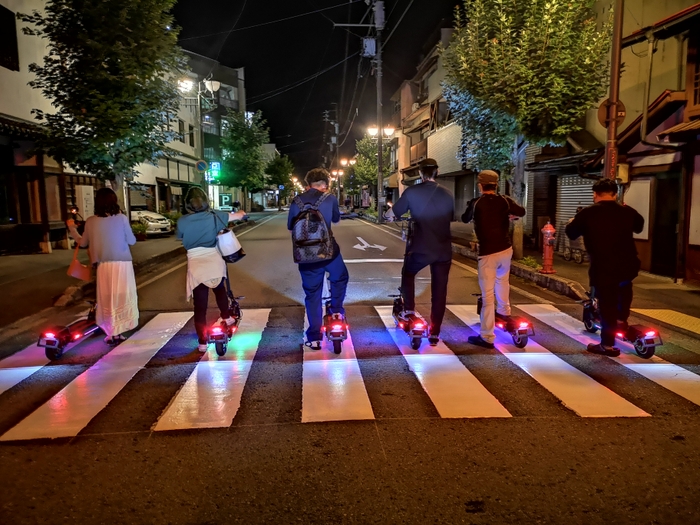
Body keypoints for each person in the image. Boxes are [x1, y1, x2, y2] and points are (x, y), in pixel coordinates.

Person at [565, 178, 644, 357]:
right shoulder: (627, 212)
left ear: (595, 194)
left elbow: (571, 233)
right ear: (615, 194)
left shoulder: (588, 213)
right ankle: (621, 320)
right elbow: (639, 226)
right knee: (624, 290)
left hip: (604, 265)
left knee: (607, 303)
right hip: (628, 264)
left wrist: (573, 221)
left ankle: (607, 345)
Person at [385, 158, 454, 346]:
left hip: (420, 247)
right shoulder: (447, 194)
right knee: (440, 290)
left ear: (421, 174)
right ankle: (435, 333)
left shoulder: (412, 192)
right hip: (443, 249)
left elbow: (392, 214)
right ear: (436, 172)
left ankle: (409, 310)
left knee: (408, 273)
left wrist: (388, 216)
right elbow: (451, 216)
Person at [177, 187, 247, 352]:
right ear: (206, 201)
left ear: (187, 204)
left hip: (195, 263)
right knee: (219, 289)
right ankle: (227, 317)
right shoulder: (215, 216)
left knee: (200, 305)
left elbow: (180, 237)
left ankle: (202, 342)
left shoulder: (182, 221)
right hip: (213, 259)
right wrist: (242, 212)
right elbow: (238, 216)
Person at [461, 170, 526, 349]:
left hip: (487, 252)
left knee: (487, 295)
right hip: (506, 249)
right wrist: (510, 215)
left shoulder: (477, 203)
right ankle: (504, 312)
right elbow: (521, 211)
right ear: (496, 185)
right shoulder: (505, 200)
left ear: (480, 185)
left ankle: (487, 336)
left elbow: (464, 218)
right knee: (503, 281)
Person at [66, 187, 139, 345]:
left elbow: (83, 242)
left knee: (107, 298)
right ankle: (118, 330)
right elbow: (132, 240)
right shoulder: (121, 219)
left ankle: (111, 332)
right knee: (121, 296)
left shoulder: (91, 221)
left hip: (103, 265)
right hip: (122, 265)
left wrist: (72, 228)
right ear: (114, 201)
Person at [288, 168, 349, 350]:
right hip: (329, 252)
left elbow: (291, 226)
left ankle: (314, 336)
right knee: (340, 277)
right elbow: (336, 219)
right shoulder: (329, 198)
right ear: (325, 184)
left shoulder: (296, 201)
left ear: (308, 185)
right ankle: (336, 311)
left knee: (312, 294)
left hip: (305, 255)